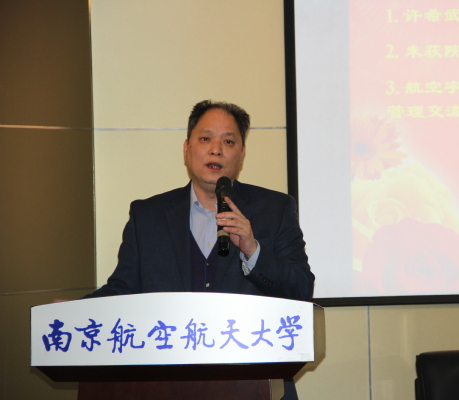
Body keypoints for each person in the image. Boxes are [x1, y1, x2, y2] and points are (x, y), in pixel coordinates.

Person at [84, 100, 314, 399]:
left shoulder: (275, 209)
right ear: (187, 148)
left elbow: (301, 290)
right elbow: (123, 289)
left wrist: (253, 250)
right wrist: (73, 312)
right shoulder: (148, 215)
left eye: (228, 141)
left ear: (242, 153)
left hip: (253, 380)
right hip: (165, 383)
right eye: (205, 138)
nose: (216, 150)